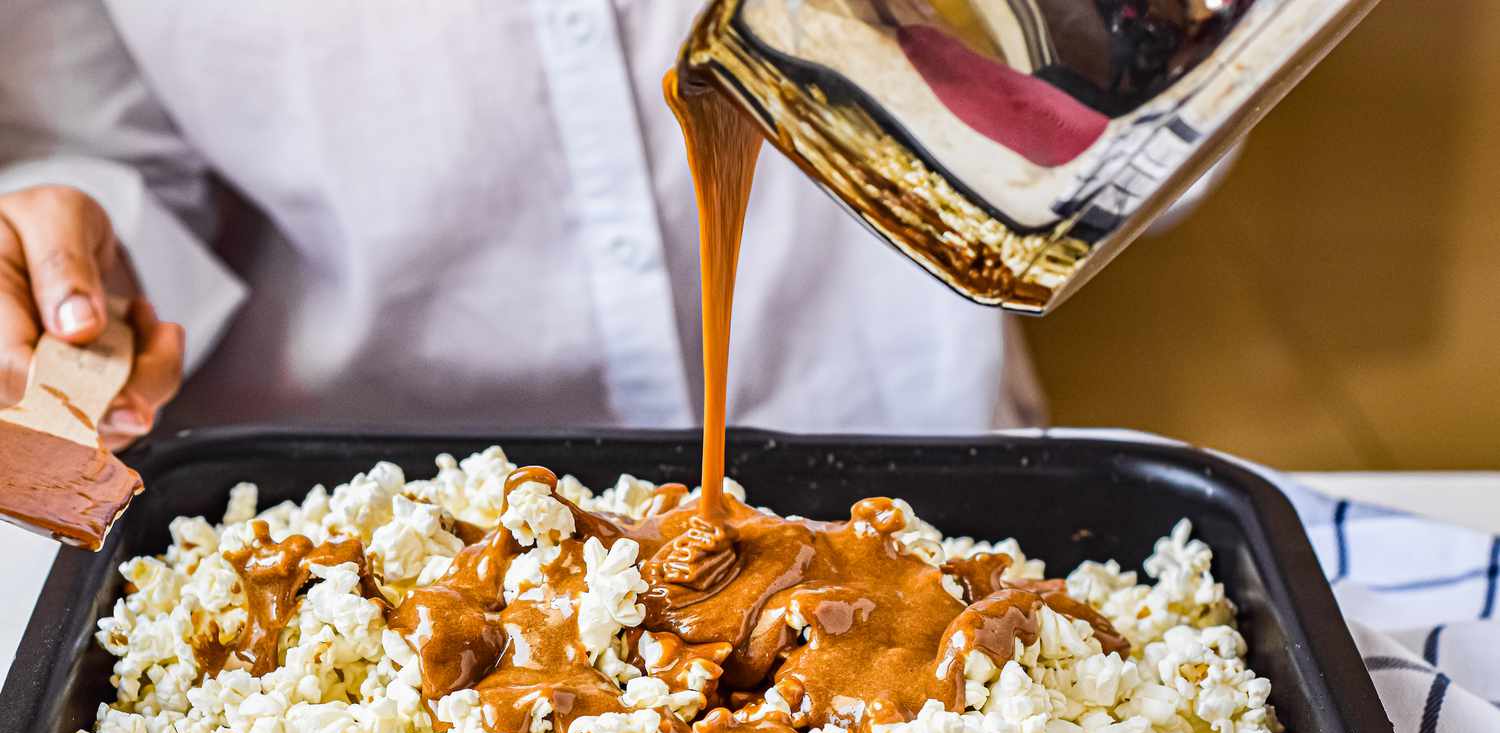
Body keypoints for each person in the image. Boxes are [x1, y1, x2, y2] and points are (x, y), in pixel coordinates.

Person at [0, 1, 1055, 452]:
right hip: (348, 560)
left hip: (899, 445)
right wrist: (66, 279)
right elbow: (112, 163)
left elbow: (1129, 124)